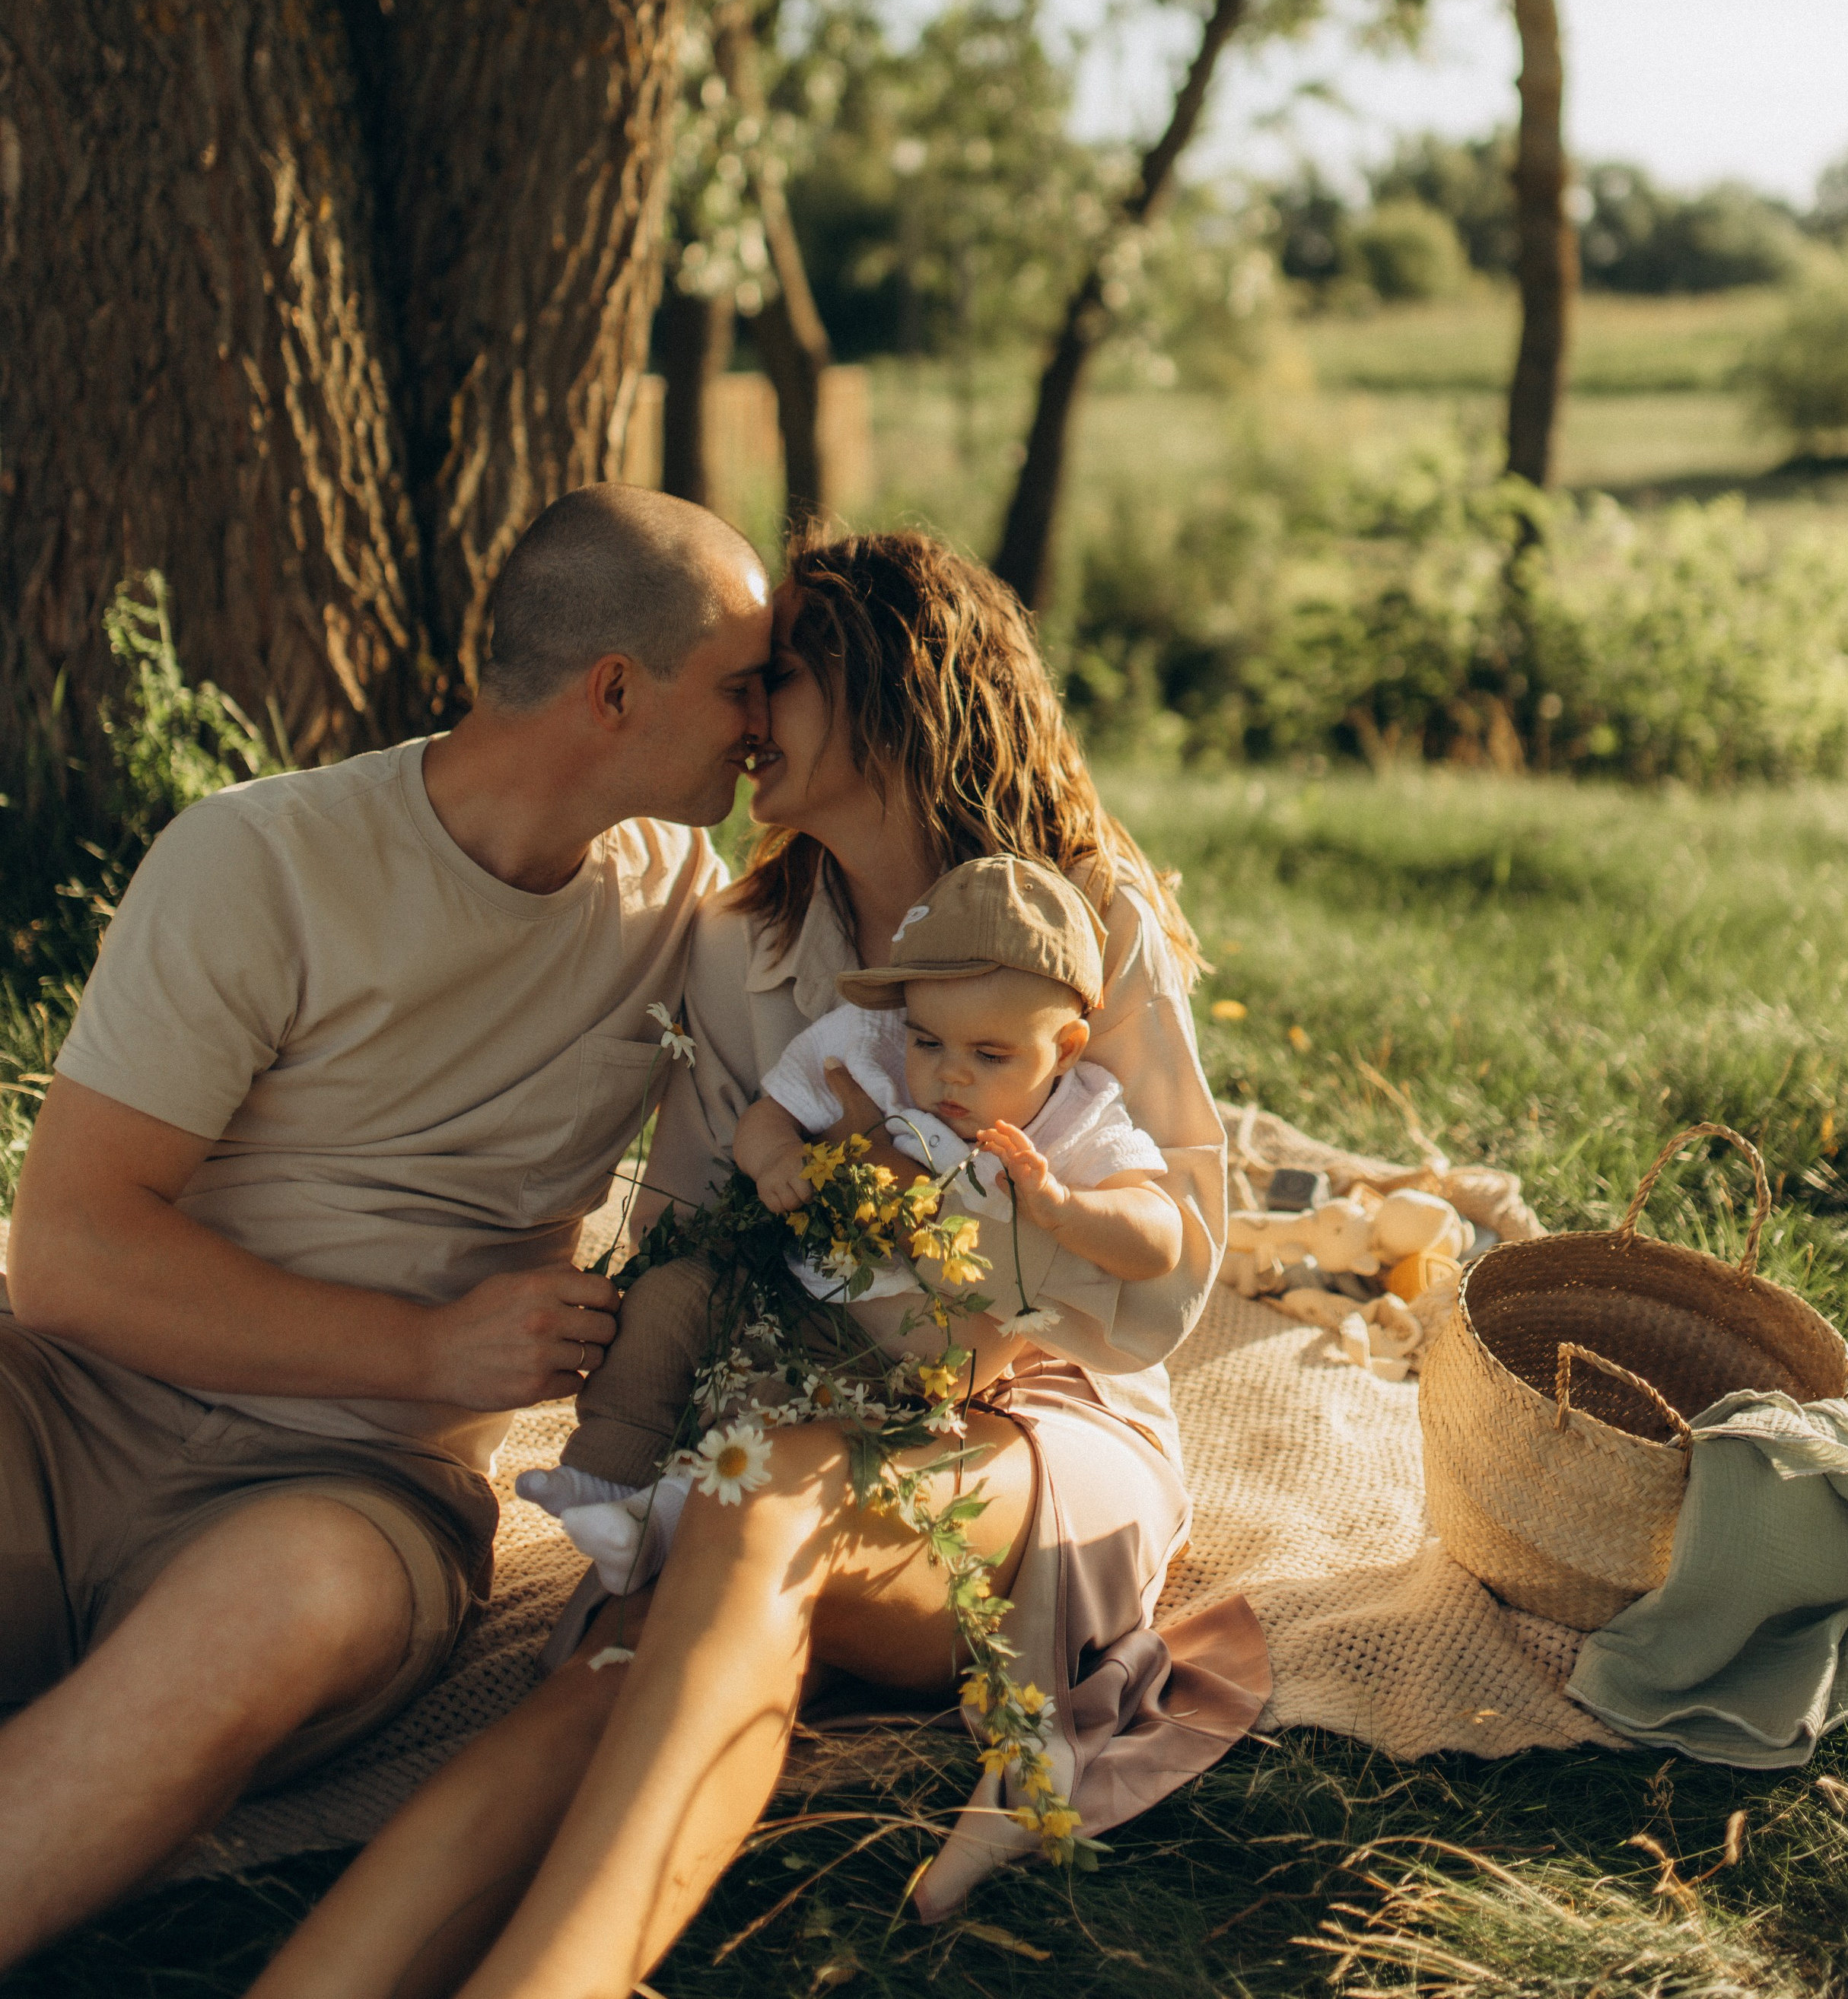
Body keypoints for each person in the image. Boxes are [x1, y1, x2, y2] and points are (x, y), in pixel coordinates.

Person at [246, 529, 1267, 1999]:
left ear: (885, 698)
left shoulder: (1080, 915)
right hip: (792, 1418)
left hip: (1039, 1429)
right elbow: (685, 1234)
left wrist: (974, 1219)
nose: (741, 718)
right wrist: (613, 1481)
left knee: (765, 1483)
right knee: (648, 1620)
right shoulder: (742, 950)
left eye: (774, 680)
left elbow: (1164, 1294)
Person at [0, 487, 773, 1972]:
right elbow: (72, 1253)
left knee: (275, 1604)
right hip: (72, 1409)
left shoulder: (695, 914)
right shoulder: (261, 860)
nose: (765, 723)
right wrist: (430, 1340)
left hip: (347, 1492)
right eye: (744, 684)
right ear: (614, 689)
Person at [520, 853, 1180, 1580]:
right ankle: (604, 1469)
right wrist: (776, 1162)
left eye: (991, 1055)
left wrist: (1065, 1208)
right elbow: (769, 1114)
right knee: (670, 1299)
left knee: (786, 1418)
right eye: (928, 1040)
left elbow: (1158, 1239)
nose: (951, 1072)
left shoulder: (1078, 1117)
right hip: (799, 1292)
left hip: (914, 1361)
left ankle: (670, 1521)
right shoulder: (869, 1042)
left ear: (1065, 1048)